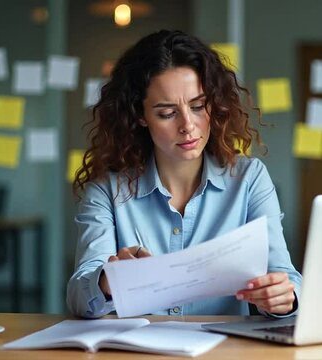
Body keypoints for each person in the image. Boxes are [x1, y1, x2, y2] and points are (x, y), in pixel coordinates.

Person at [66, 29, 302, 319]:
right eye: (167, 113)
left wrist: (284, 298)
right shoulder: (106, 189)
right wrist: (106, 282)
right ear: (140, 116)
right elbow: (79, 295)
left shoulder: (250, 179)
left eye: (198, 106)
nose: (188, 125)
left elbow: (287, 278)